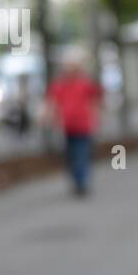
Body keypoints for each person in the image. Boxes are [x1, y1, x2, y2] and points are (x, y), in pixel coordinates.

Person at [45, 52, 103, 196]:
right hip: (67, 126)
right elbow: (53, 103)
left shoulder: (85, 83)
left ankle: (81, 182)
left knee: (82, 154)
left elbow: (95, 101)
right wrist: (49, 117)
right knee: (71, 155)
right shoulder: (59, 85)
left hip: (83, 125)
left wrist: (97, 118)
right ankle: (77, 180)